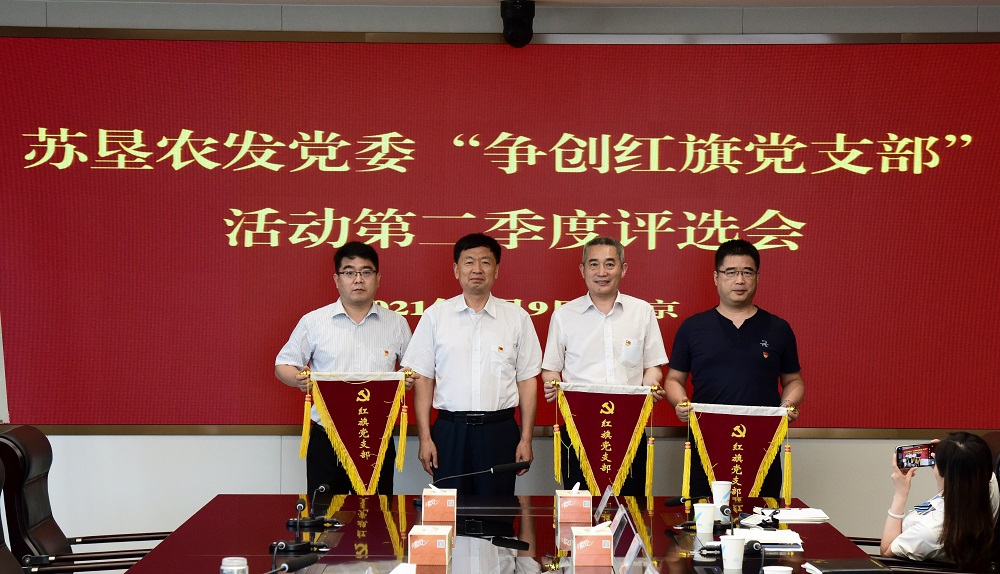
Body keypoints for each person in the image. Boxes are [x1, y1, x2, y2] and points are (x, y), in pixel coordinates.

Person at [663, 239, 804, 498]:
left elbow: (793, 380)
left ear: (757, 277)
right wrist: (680, 403)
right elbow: (673, 379)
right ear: (716, 277)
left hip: (762, 443)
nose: (739, 280)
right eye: (731, 272)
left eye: (747, 272)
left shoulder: (778, 328)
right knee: (705, 515)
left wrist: (788, 405)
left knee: (762, 514)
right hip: (707, 441)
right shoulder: (693, 327)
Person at [403, 233, 541, 496]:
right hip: (450, 432)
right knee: (448, 512)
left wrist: (526, 439)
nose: (477, 269)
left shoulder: (517, 318)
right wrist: (425, 437)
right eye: (469, 262)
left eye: (485, 262)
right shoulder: (435, 317)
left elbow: (526, 381)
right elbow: (424, 379)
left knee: (497, 512)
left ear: (496, 271)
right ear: (456, 270)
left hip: (500, 432)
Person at [275, 241, 413, 495]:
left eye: (366, 272)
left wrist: (409, 377)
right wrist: (298, 379)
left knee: (376, 513)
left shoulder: (396, 323)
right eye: (349, 272)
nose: (358, 279)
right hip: (327, 438)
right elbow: (283, 364)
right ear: (337, 280)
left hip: (376, 437)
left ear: (378, 278)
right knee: (325, 514)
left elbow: (413, 369)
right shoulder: (314, 322)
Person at [540, 236, 668, 496]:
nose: (602, 272)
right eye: (594, 264)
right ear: (582, 269)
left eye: (610, 264)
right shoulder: (564, 315)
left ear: (623, 268)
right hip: (579, 428)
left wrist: (651, 383)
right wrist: (552, 384)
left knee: (630, 505)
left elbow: (653, 366)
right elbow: (551, 369)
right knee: (579, 506)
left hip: (629, 427)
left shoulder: (642, 311)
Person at [881, 432, 999, 570]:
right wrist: (951, 454)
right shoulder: (990, 485)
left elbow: (886, 552)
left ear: (946, 473)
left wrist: (900, 494)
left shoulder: (929, 532)